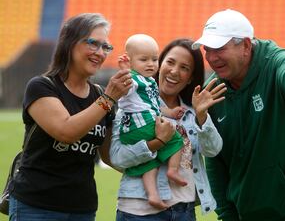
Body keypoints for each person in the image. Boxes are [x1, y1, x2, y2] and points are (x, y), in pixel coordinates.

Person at [192, 8, 285, 221]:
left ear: (246, 46)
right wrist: (226, 213)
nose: (211, 58)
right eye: (207, 50)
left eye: (219, 49)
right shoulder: (211, 92)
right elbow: (215, 161)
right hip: (253, 211)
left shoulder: (276, 60)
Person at [8, 13, 132, 221]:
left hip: (82, 209)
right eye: (93, 43)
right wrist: (110, 98)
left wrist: (157, 156)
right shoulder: (42, 86)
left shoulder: (100, 95)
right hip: (36, 207)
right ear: (69, 43)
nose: (100, 53)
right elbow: (66, 132)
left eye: (105, 47)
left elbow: (111, 155)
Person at [110, 38, 227, 220]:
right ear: (160, 64)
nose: (174, 71)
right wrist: (157, 143)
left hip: (184, 211)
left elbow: (213, 150)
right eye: (170, 62)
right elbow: (117, 158)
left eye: (184, 68)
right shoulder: (132, 105)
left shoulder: (191, 112)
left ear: (190, 78)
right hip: (139, 210)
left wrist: (202, 115)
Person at [116, 34, 187, 209]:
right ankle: (173, 170)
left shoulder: (148, 82)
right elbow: (126, 88)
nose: (150, 64)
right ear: (130, 61)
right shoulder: (135, 80)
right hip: (141, 126)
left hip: (133, 130)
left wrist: (169, 111)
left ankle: (153, 195)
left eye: (155, 59)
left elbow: (153, 106)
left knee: (149, 160)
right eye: (144, 59)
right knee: (177, 138)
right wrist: (125, 71)